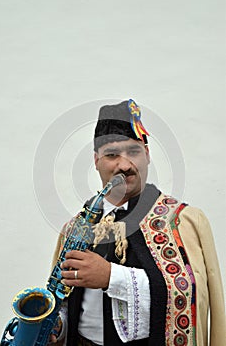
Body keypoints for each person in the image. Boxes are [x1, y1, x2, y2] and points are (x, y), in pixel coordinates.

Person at [50, 99, 226, 346]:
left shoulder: (182, 222)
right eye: (112, 154)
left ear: (147, 155)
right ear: (96, 160)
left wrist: (111, 277)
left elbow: (188, 298)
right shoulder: (75, 227)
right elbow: (70, 303)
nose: (124, 165)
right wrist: (56, 326)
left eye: (133, 152)